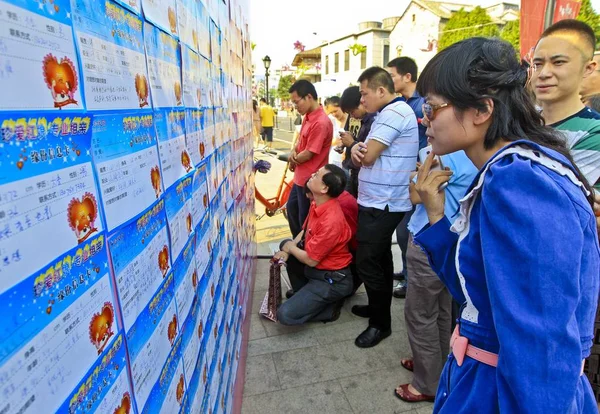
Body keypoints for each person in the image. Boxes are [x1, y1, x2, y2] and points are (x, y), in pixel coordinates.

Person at [411, 36, 599, 412]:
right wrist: (435, 212)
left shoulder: (519, 181)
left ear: (481, 110)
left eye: (432, 108)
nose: (424, 118)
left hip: (497, 391)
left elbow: (541, 345)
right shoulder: (508, 171)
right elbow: (477, 294)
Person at [396, 150, 477, 403]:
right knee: (441, 311)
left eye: (433, 110)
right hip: (453, 238)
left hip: (428, 238)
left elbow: (414, 194)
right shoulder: (476, 153)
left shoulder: (445, 154)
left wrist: (415, 175)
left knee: (420, 314)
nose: (426, 120)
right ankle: (435, 367)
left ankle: (426, 384)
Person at [350, 67, 418, 348]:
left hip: (384, 202)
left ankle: (380, 324)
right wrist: (357, 150)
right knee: (380, 260)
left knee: (368, 260)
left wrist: (357, 149)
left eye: (364, 93)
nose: (362, 100)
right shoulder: (384, 115)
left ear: (381, 91)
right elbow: (361, 155)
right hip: (378, 200)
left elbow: (367, 157)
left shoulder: (394, 114)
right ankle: (378, 309)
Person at [274, 164, 353, 325]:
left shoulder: (331, 220)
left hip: (331, 279)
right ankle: (305, 294)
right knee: (285, 244)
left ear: (324, 188)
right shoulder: (317, 203)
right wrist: (288, 249)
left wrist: (290, 248)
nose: (312, 175)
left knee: (285, 315)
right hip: (316, 270)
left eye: (316, 175)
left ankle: (329, 309)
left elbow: (311, 259)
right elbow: (304, 232)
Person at [531, 19, 600, 191]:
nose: (544, 73)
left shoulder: (594, 132)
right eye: (538, 64)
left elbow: (555, 198)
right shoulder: (518, 119)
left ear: (588, 68)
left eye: (558, 62)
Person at [386, 57, 428, 298]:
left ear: (407, 77)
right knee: (403, 230)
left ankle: (412, 280)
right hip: (404, 174)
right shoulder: (401, 103)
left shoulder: (423, 103)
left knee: (407, 231)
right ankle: (407, 271)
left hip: (419, 174)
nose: (389, 81)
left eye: (391, 76)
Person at [287, 80, 333, 238]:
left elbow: (309, 153)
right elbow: (301, 143)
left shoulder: (321, 122)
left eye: (296, 102)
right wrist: (293, 152)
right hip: (299, 177)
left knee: (304, 220)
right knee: (291, 209)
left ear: (308, 97)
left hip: (310, 180)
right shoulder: (307, 117)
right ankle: (297, 245)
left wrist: (293, 159)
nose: (295, 106)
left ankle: (304, 250)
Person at [339, 86, 376, 198]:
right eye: (349, 113)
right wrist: (343, 143)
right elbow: (348, 133)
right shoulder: (352, 117)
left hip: (361, 171)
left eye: (352, 111)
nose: (352, 115)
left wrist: (351, 143)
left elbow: (367, 150)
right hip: (348, 166)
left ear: (362, 103)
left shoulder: (373, 120)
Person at [324, 96, 348, 169]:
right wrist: (333, 142)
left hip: (346, 159)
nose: (334, 114)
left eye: (335, 111)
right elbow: (322, 141)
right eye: (331, 112)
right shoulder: (330, 120)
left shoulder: (351, 119)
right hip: (333, 159)